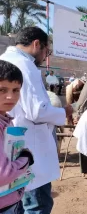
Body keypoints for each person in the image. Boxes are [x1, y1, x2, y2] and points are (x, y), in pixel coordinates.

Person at [0, 26, 73, 214]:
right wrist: (63, 112)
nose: (45, 57)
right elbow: (37, 111)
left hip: (11, 149)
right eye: (46, 52)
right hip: (30, 153)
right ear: (36, 44)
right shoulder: (25, 65)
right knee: (37, 205)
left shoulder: (5, 60)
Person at [0, 61, 34, 214]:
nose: (10, 96)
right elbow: (3, 174)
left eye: (16, 90)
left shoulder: (5, 119)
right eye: (2, 89)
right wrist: (26, 158)